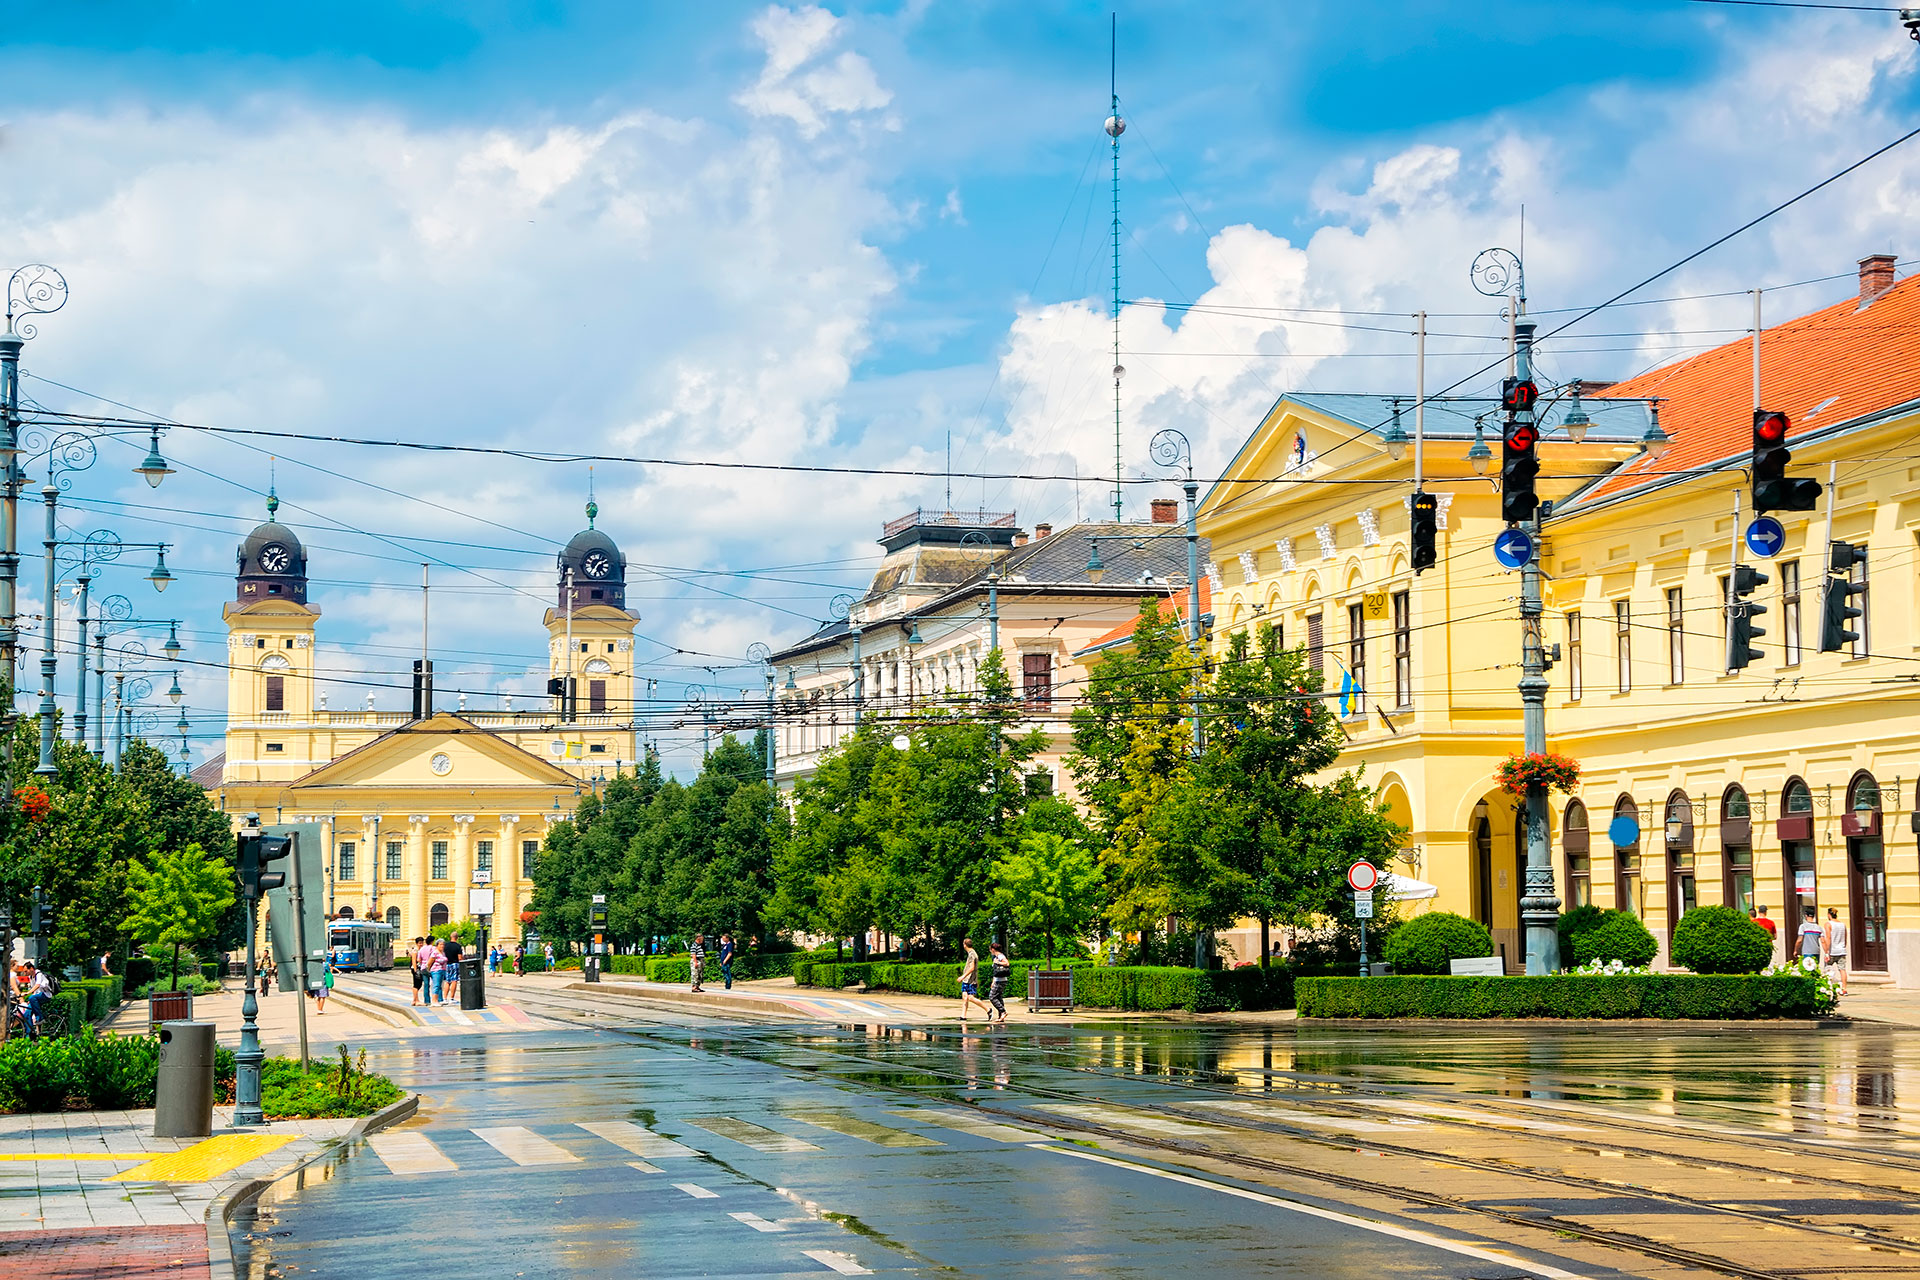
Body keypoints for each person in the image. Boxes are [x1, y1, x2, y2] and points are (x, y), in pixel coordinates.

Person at [958, 938, 994, 1022]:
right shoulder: (971, 953)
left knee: (970, 998)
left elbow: (972, 968)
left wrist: (962, 976)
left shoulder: (972, 955)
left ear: (965, 945)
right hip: (966, 980)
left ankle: (988, 1009)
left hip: (970, 980)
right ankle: (963, 1015)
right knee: (965, 997)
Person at [1824, 906, 1850, 996]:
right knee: (1842, 969)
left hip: (1832, 950)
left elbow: (1828, 938)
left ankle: (1827, 988)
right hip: (1841, 950)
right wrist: (1843, 947)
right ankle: (1844, 989)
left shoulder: (1828, 924)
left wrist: (1827, 952)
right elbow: (1845, 937)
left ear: (1828, 915)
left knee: (1827, 969)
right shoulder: (1843, 924)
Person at [22, 962, 51, 1037]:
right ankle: (30, 1035)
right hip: (37, 996)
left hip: (45, 995)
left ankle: (40, 1018)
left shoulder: (39, 974)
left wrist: (28, 993)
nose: (25, 973)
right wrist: (30, 999)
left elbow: (37, 985)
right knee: (26, 1014)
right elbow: (34, 990)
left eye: (26, 971)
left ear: (31, 968)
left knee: (32, 997)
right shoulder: (31, 977)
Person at [985, 942, 1011, 1024]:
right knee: (999, 997)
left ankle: (1003, 1012)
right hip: (999, 980)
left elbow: (1007, 963)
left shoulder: (1000, 956)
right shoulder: (997, 956)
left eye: (990, 949)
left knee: (992, 997)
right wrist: (993, 981)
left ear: (993, 949)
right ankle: (1001, 1016)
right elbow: (995, 971)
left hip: (1000, 980)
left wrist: (997, 962)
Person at [1797, 905, 1824, 973]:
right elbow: (1823, 941)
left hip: (1807, 951)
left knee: (1807, 970)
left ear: (1806, 916)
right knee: (1815, 969)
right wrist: (1826, 952)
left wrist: (1796, 949)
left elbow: (1799, 940)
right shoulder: (1819, 927)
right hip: (1816, 951)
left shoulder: (1803, 927)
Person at [442, 935, 462, 1003]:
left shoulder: (445, 945)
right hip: (455, 964)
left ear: (450, 937)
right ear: (457, 938)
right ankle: (451, 998)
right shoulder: (458, 946)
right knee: (454, 980)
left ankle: (444, 998)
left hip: (447, 964)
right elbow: (460, 957)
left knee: (447, 981)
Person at [409, 937, 428, 1006]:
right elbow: (413, 961)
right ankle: (417, 1000)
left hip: (420, 968)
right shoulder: (415, 951)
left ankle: (414, 1000)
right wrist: (415, 970)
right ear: (417, 943)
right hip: (416, 969)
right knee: (417, 984)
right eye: (420, 943)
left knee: (418, 984)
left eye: (422, 943)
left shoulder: (422, 950)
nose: (421, 944)